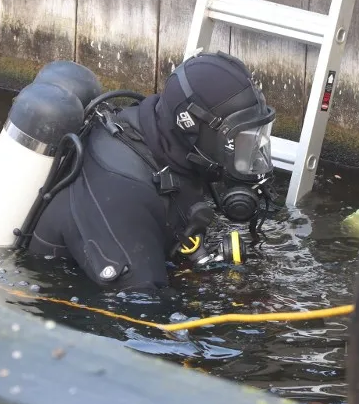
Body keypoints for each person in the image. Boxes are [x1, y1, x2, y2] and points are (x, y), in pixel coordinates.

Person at [25, 51, 278, 292]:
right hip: (50, 300)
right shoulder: (124, 195)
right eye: (241, 139)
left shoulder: (166, 142)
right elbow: (142, 318)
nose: (252, 153)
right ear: (190, 124)